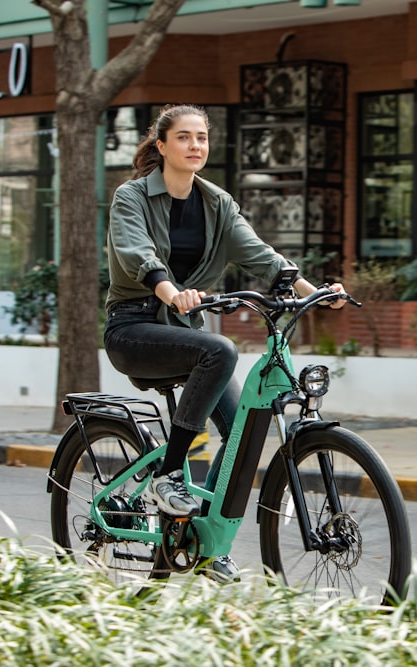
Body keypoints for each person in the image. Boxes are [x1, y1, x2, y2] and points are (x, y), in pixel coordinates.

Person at [103, 104, 344, 582]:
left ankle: (206, 542)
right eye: (185, 137)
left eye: (202, 138)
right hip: (133, 328)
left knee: (242, 432)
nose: (196, 146)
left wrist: (312, 291)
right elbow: (138, 254)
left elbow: (260, 255)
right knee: (222, 350)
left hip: (184, 335)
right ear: (161, 145)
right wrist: (173, 294)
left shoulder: (217, 203)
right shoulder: (131, 197)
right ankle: (170, 476)